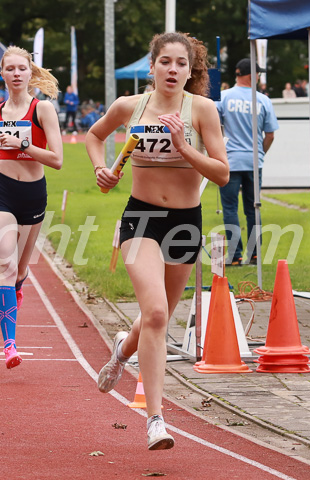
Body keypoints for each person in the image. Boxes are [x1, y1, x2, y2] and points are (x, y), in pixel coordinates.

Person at [87, 32, 228, 450]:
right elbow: (96, 137)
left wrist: (185, 146)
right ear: (152, 67)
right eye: (165, 62)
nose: (172, 69)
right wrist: (102, 170)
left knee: (158, 316)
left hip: (185, 222)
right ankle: (155, 419)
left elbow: (221, 172)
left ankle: (120, 353)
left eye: (180, 63)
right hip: (141, 218)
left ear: (190, 70)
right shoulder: (129, 107)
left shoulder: (202, 110)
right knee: (154, 313)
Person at [0, 46, 62, 370]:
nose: (17, 74)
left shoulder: (42, 110)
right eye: (11, 69)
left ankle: (17, 286)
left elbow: (57, 160)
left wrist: (25, 145)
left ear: (30, 73)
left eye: (22, 68)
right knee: (5, 265)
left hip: (33, 194)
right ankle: (10, 344)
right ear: (3, 74)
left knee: (20, 270)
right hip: (0, 192)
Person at [216, 58, 279, 266]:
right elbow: (270, 135)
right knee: (254, 208)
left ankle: (235, 256)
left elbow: (214, 127)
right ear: (253, 75)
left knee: (230, 208)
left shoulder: (223, 97)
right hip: (254, 162)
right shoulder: (263, 100)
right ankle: (254, 254)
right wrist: (261, 152)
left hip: (230, 161)